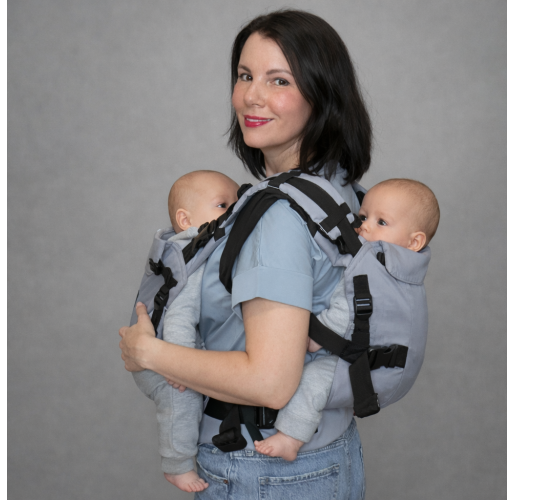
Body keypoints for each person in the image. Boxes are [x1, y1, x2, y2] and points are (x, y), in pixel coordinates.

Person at [119, 10, 373, 499]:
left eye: (279, 80)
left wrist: (149, 353)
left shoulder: (277, 216)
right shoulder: (340, 189)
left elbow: (270, 382)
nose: (252, 96)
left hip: (263, 469)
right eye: (244, 75)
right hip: (328, 453)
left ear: (322, 95)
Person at [253, 178, 440, 461]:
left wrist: (316, 338)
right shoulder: (404, 269)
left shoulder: (374, 266)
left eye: (381, 222)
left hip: (371, 371)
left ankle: (290, 438)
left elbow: (348, 311)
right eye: (363, 217)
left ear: (415, 242)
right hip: (387, 370)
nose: (365, 227)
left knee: (311, 381)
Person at [132, 170, 238, 493]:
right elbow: (179, 317)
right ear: (185, 219)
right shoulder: (194, 260)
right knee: (183, 401)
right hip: (163, 358)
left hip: (159, 349)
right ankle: (176, 465)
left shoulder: (182, 249)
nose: (233, 211)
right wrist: (176, 365)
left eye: (237, 203)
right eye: (222, 205)